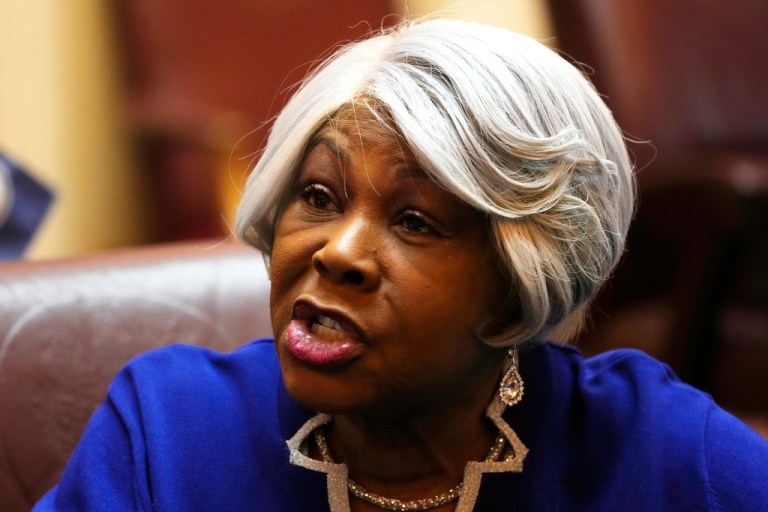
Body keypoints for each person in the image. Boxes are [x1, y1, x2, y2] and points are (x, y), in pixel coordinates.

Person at [35, 18, 767, 511]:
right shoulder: (166, 433)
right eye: (318, 196)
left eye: (414, 221)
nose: (339, 251)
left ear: (520, 283)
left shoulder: (658, 449)